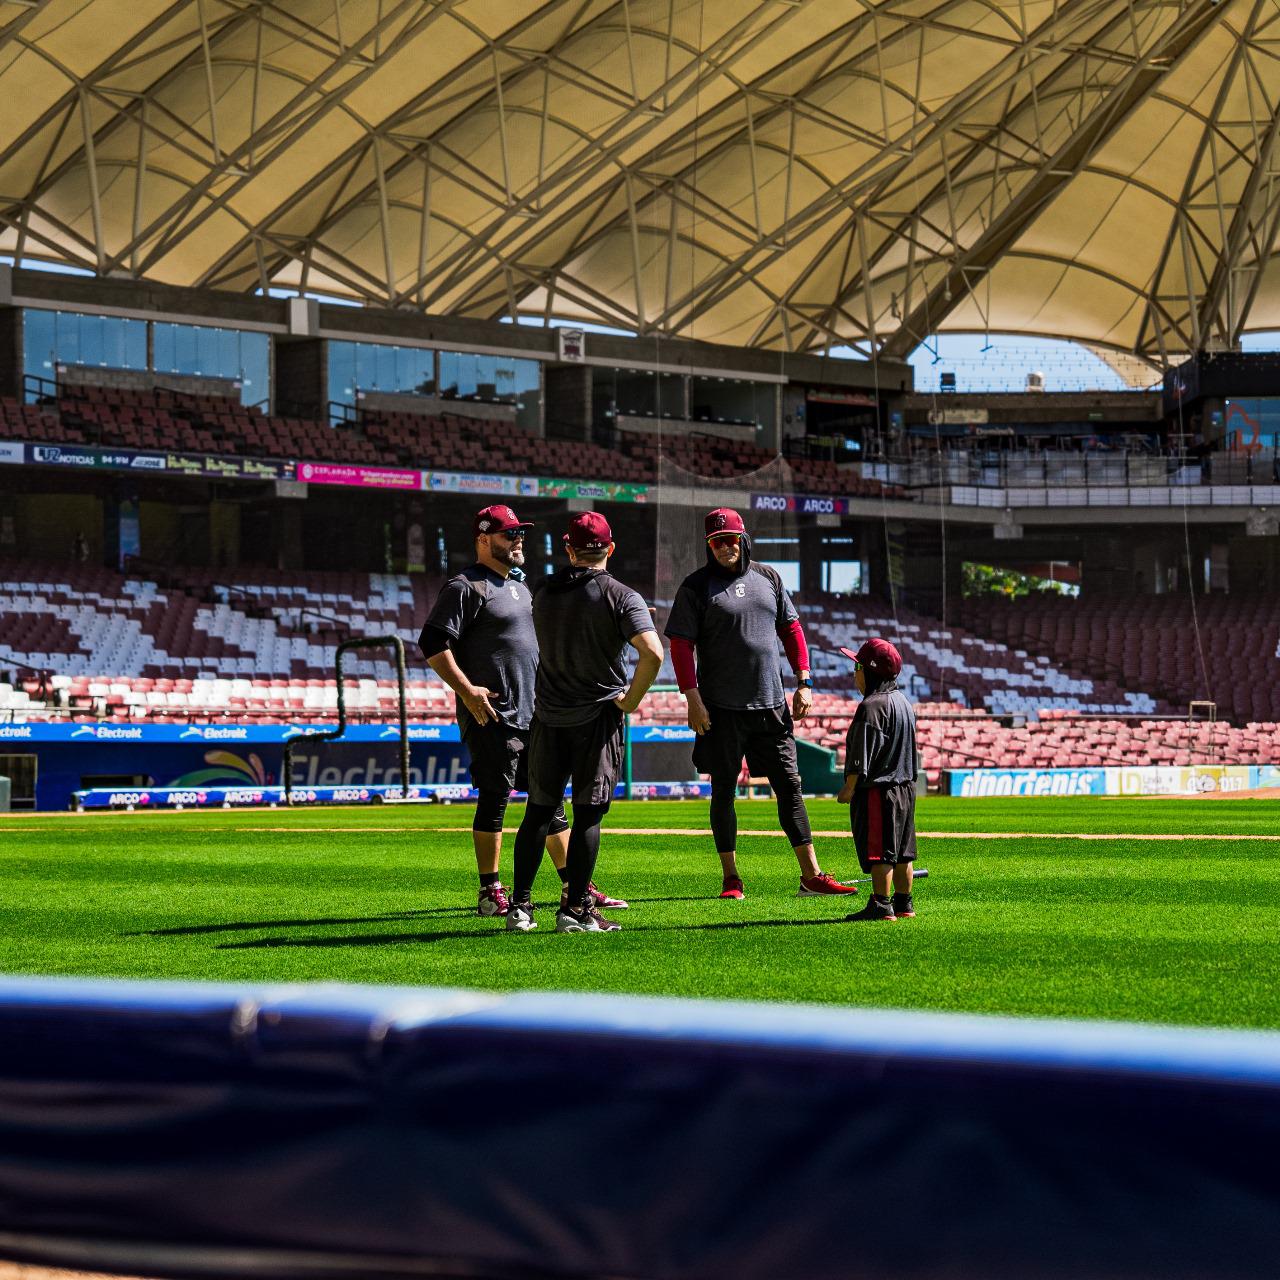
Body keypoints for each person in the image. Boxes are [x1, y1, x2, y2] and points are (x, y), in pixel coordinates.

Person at [419, 504, 627, 918]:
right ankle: (489, 890)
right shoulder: (465, 586)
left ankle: (576, 885)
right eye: (507, 534)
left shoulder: (520, 585)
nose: (517, 541)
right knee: (496, 798)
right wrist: (468, 692)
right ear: (483, 539)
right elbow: (432, 643)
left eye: (520, 534)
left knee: (550, 804)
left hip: (539, 713)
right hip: (492, 712)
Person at [665, 508, 856, 900]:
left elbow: (792, 629)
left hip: (770, 706)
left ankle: (811, 876)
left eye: (731, 539)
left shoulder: (769, 578)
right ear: (708, 545)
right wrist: (692, 699)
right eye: (717, 541)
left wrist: (804, 681)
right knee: (723, 791)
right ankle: (731, 878)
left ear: (744, 539)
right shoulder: (695, 587)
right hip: (720, 709)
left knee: (790, 788)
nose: (724, 547)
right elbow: (681, 646)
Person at [506, 511, 664, 934]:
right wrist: (630, 700)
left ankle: (520, 908)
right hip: (597, 718)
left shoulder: (543, 590)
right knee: (588, 816)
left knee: (538, 812)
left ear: (568, 547)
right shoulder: (621, 595)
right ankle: (575, 911)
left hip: (547, 718)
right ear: (610, 548)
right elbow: (653, 654)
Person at [836, 638, 919, 922]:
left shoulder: (871, 706)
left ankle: (881, 904)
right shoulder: (904, 703)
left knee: (880, 851)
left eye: (857, 666)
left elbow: (861, 753)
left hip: (879, 790)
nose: (854, 673)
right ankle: (904, 902)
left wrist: (849, 787)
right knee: (903, 851)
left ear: (870, 671)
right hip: (906, 789)